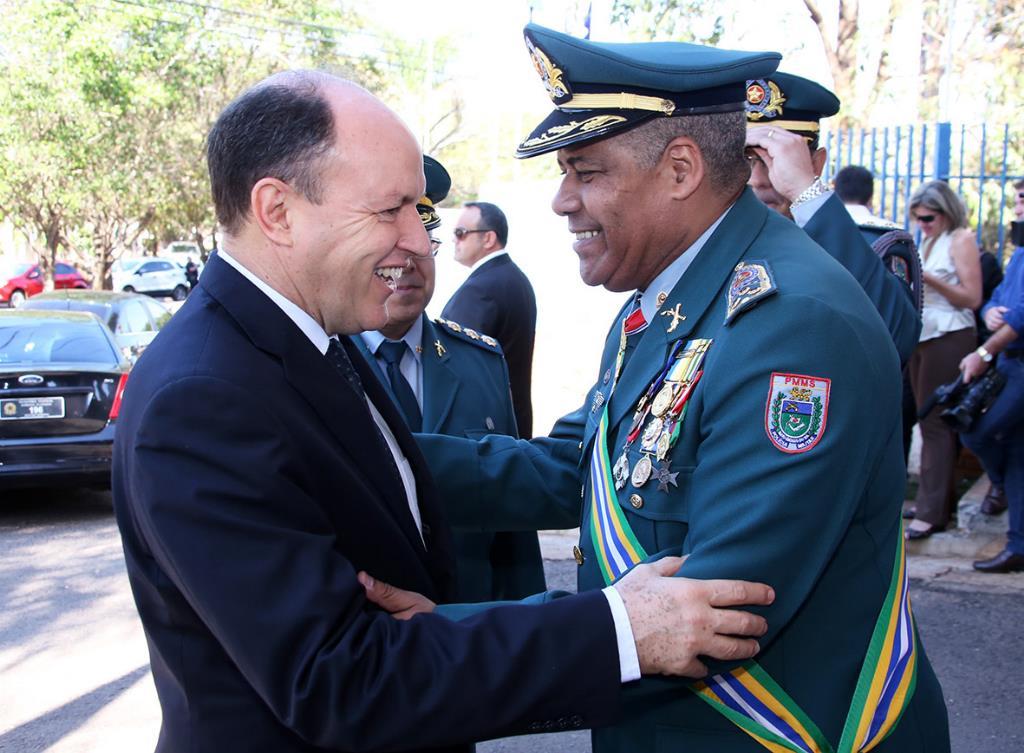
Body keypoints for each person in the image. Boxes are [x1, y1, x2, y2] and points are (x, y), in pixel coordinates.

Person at [110, 69, 777, 753]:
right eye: (390, 209)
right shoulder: (201, 396)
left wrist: (442, 625)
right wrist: (619, 630)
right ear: (278, 211)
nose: (418, 238)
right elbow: (342, 681)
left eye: (420, 212)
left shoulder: (312, 341)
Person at [399, 24, 949, 753]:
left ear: (681, 169)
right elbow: (582, 469)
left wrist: (428, 644)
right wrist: (378, 456)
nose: (562, 201)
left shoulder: (792, 324)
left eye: (585, 171)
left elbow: (706, 610)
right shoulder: (664, 303)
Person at [352, 155, 546, 601]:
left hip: (478, 636)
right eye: (389, 245)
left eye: (425, 240)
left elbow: (511, 526)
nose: (410, 260)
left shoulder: (480, 360)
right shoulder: (320, 365)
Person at [743, 73, 921, 363]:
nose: (757, 179)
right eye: (744, 160)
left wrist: (805, 191)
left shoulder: (871, 245)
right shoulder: (716, 238)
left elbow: (895, 336)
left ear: (817, 163)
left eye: (772, 158)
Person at [905, 180, 982, 540]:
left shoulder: (960, 239)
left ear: (946, 212)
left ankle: (932, 513)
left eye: (928, 217)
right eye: (917, 218)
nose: (922, 223)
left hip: (950, 336)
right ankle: (931, 503)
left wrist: (930, 278)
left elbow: (972, 298)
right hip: (926, 335)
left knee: (935, 423)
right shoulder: (932, 238)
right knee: (927, 421)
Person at [958, 191, 1024, 572]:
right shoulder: (1018, 254)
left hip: (1016, 361)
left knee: (978, 430)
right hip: (1010, 362)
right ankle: (1018, 543)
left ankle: (997, 485)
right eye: (1015, 204)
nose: (1015, 211)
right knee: (1014, 449)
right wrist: (991, 312)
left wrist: (983, 353)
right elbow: (995, 300)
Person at [442, 201, 537, 437]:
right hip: (512, 423)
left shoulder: (481, 289)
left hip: (485, 433)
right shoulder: (514, 278)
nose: (454, 239)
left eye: (461, 233)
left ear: (488, 239)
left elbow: (455, 369)